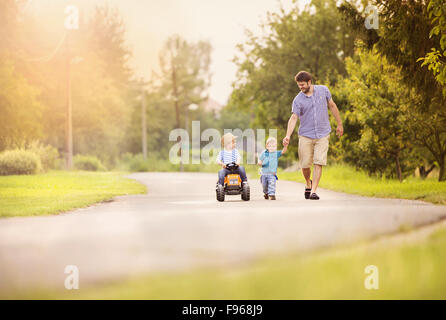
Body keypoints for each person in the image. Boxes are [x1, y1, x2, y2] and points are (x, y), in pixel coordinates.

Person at [283, 71, 343, 200]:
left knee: (318, 162)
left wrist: (339, 124)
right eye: (299, 85)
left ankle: (314, 191)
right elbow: (294, 118)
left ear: (309, 82)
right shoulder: (298, 99)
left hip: (323, 133)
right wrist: (288, 135)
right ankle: (308, 183)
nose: (301, 87)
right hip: (305, 135)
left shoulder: (323, 90)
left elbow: (332, 105)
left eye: (303, 84)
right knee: (305, 165)